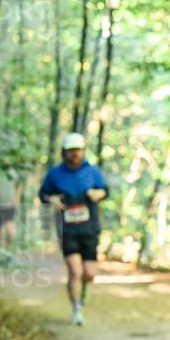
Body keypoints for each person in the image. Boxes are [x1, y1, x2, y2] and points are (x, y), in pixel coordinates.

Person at [39, 132, 108, 326]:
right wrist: (52, 199)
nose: (74, 154)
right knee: (74, 270)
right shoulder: (55, 173)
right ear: (64, 152)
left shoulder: (92, 171)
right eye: (71, 151)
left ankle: (84, 288)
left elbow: (105, 190)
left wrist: (98, 194)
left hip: (89, 229)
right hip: (67, 229)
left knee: (89, 273)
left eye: (77, 150)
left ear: (83, 151)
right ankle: (76, 309)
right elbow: (43, 194)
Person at [0, 172, 18, 251]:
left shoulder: (14, 170)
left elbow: (20, 183)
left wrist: (17, 197)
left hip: (10, 205)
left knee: (10, 232)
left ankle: (7, 251)